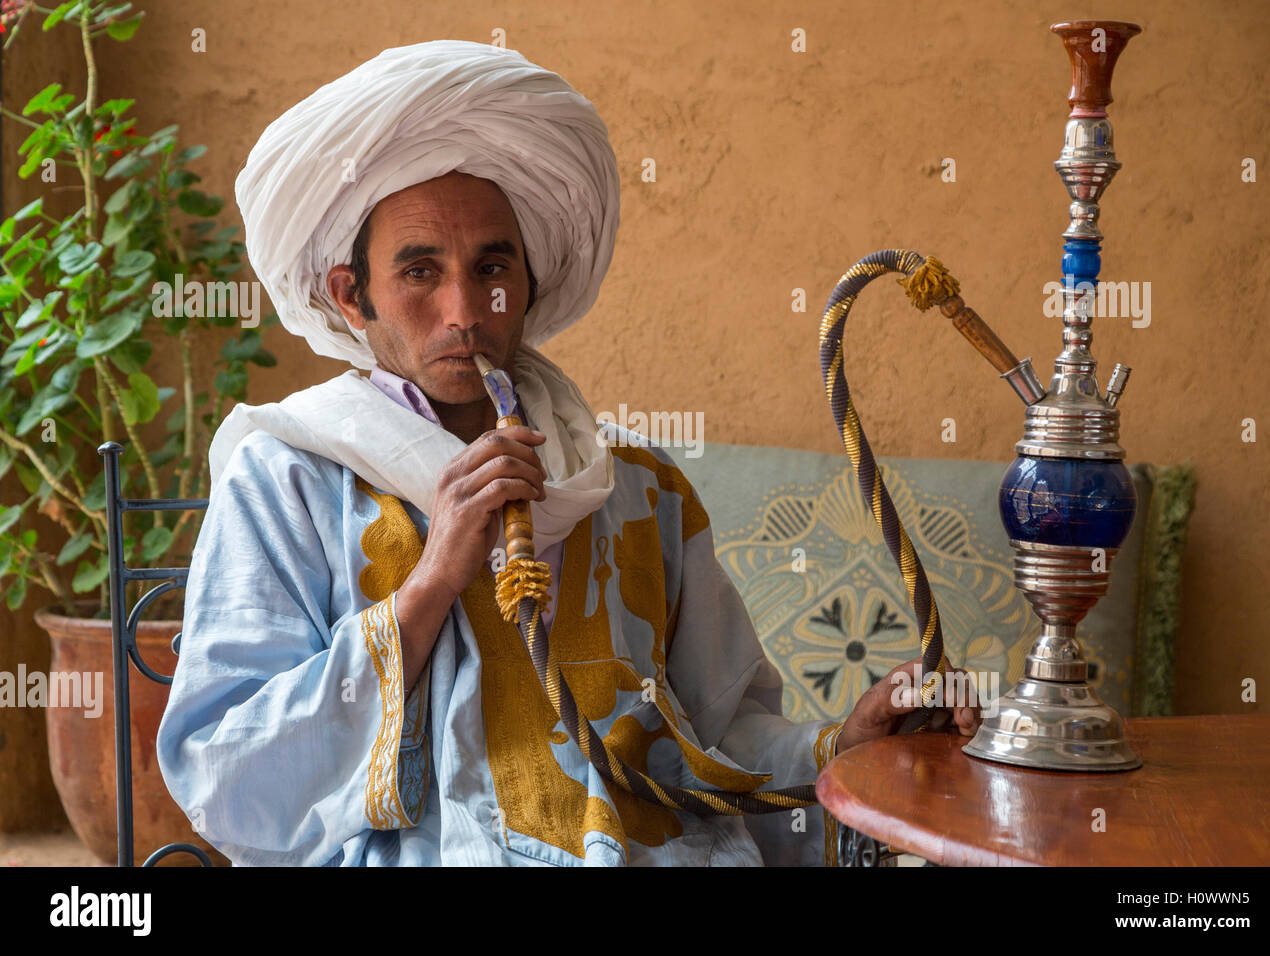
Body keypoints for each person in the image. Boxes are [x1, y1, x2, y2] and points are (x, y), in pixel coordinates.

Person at [156, 40, 981, 867]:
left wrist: (848, 742)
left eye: (492, 267)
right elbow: (225, 771)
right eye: (417, 271)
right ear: (351, 295)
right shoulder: (287, 480)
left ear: (531, 281)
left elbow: (721, 738)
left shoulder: (640, 489)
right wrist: (433, 582)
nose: (465, 311)